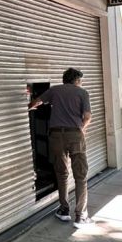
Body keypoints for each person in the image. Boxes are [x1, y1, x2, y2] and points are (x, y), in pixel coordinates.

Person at [29, 67, 92, 223]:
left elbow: (36, 102)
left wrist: (28, 106)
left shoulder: (54, 90)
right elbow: (87, 117)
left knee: (62, 174)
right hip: (75, 134)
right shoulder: (82, 93)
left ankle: (64, 210)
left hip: (56, 136)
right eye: (80, 80)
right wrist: (81, 129)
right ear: (77, 80)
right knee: (80, 176)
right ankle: (81, 216)